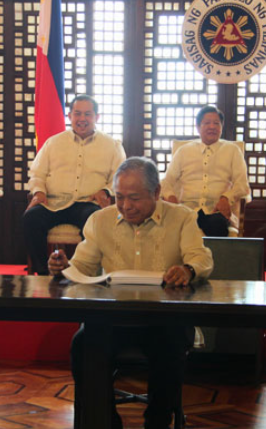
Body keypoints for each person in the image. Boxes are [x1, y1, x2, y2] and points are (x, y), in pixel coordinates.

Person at [48, 157, 213, 429]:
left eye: (134, 198)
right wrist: (62, 268)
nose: (125, 206)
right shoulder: (99, 220)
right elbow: (81, 267)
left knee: (171, 348)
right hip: (112, 320)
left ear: (157, 193)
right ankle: (106, 420)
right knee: (82, 346)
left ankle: (157, 422)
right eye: (119, 197)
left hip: (164, 320)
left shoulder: (181, 217)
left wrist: (187, 269)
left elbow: (202, 257)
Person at [24, 94, 126, 274]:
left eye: (88, 114)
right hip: (53, 204)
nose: (82, 119)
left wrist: (105, 190)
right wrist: (39, 192)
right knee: (31, 218)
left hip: (87, 204)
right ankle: (43, 273)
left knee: (94, 219)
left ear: (97, 117)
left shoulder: (112, 145)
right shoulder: (53, 143)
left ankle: (84, 272)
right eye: (77, 114)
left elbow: (120, 176)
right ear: (69, 116)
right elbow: (37, 173)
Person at [161, 105, 250, 236]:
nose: (212, 127)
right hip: (187, 210)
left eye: (216, 123)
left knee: (217, 224)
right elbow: (166, 181)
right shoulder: (184, 151)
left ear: (221, 127)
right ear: (198, 127)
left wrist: (226, 198)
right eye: (207, 123)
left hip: (216, 212)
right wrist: (171, 196)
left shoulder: (232, 151)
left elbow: (242, 185)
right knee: (178, 225)